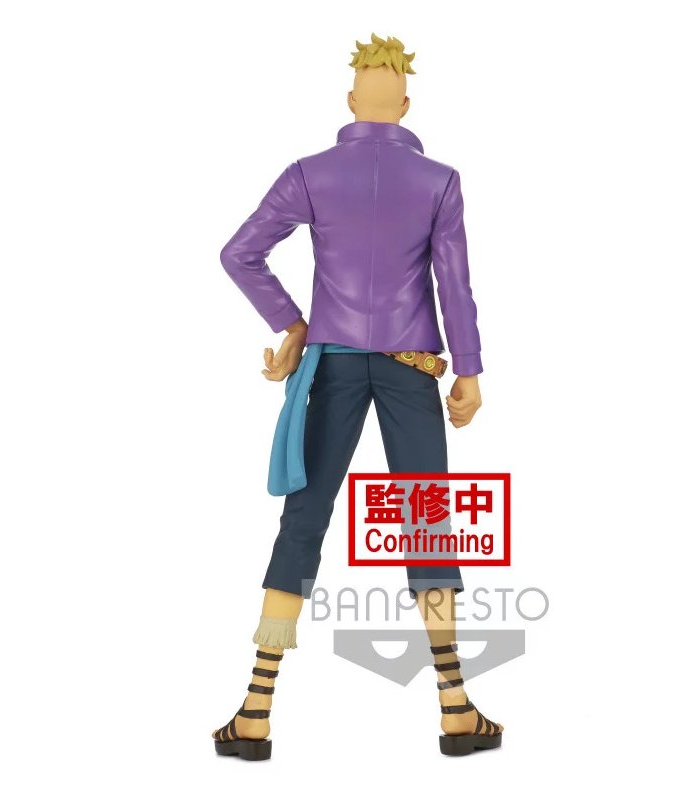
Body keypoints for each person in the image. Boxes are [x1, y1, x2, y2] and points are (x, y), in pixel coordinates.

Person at [212, 33, 502, 760]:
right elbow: (455, 285)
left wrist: (292, 323)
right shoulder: (439, 181)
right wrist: (469, 368)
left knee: (303, 520)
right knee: (428, 522)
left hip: (334, 366)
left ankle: (255, 710)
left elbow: (240, 253)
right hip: (411, 367)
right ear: (405, 105)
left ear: (350, 103)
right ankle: (455, 706)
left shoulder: (311, 174)